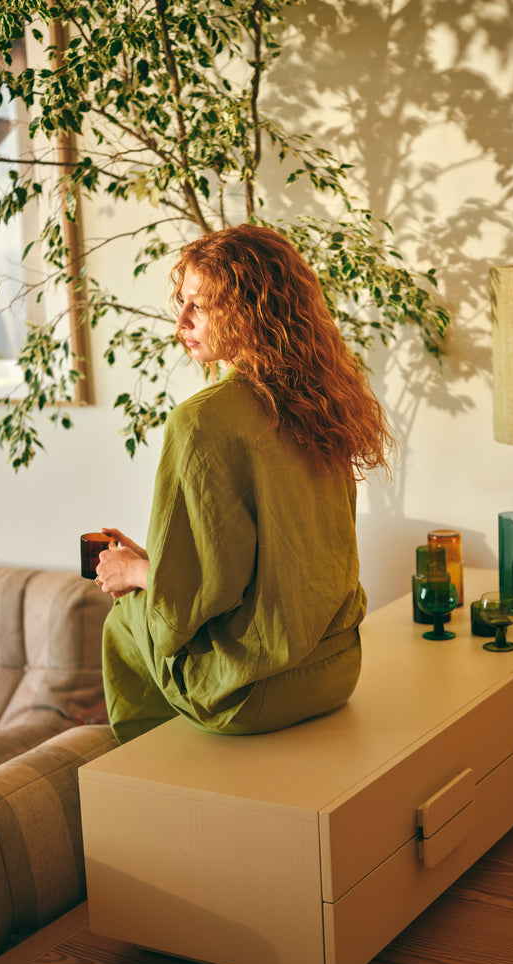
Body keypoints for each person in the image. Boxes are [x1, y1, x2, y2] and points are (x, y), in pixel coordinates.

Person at [94, 223, 394, 743]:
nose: (181, 321)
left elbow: (188, 606)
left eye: (200, 306)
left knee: (125, 622)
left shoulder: (201, 419)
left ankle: (146, 785)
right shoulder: (322, 403)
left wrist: (138, 576)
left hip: (253, 692)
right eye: (181, 303)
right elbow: (272, 557)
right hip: (337, 669)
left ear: (250, 312)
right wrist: (155, 563)